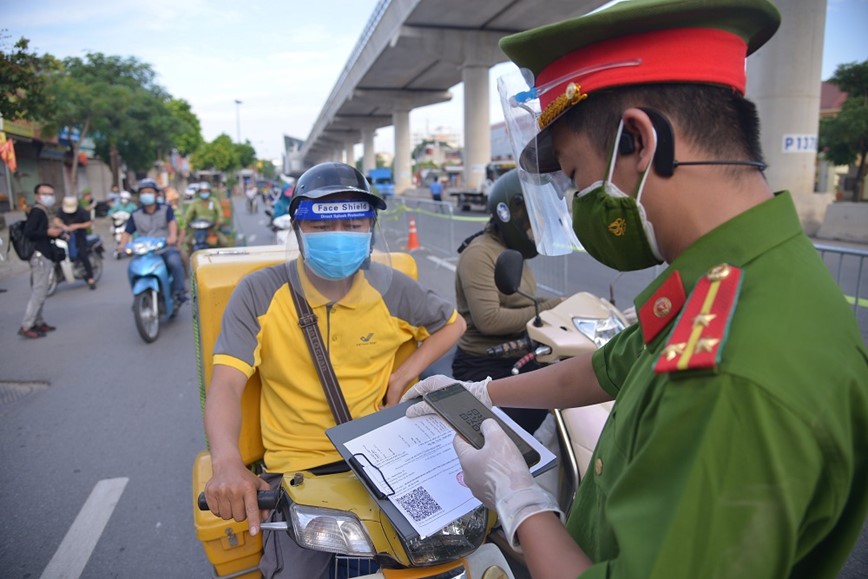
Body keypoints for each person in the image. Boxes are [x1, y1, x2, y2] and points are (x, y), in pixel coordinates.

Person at [402, 1, 868, 577]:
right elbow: (604, 369)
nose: (576, 205)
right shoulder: (732, 277)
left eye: (574, 176)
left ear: (639, 142)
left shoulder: (736, 372)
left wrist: (517, 497)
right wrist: (486, 396)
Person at [202, 162, 466, 578]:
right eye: (323, 226)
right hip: (297, 474)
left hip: (386, 463)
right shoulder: (259, 293)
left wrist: (404, 374)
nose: (338, 235)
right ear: (298, 231)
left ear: (371, 226)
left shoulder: (390, 287)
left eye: (353, 223)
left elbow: (453, 324)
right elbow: (227, 385)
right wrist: (227, 462)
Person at [453, 169, 563, 433]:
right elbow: (489, 320)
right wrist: (549, 306)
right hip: (484, 363)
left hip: (522, 352)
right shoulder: (480, 254)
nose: (540, 222)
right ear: (511, 213)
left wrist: (567, 303)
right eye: (535, 214)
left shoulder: (512, 251)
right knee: (522, 435)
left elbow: (520, 301)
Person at [117, 178, 189, 303]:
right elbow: (127, 232)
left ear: (156, 194)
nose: (146, 195)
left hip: (164, 248)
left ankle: (179, 291)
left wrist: (172, 237)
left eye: (149, 192)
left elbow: (172, 224)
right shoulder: (135, 214)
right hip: (144, 251)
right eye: (143, 193)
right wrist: (122, 245)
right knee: (133, 267)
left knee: (174, 262)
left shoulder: (166, 209)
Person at [19, 183, 64, 339]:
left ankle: (39, 322)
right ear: (37, 196)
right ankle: (26, 325)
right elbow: (29, 232)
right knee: (39, 291)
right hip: (39, 256)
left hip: (44, 254)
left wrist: (56, 233)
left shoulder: (43, 211)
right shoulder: (37, 211)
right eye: (46, 194)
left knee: (42, 290)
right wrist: (48, 232)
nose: (49, 197)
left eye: (51, 194)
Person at [55, 196, 96, 289]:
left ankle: (90, 278)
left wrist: (77, 226)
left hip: (80, 236)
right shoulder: (61, 210)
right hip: (66, 235)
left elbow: (89, 223)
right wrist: (63, 226)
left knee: (83, 254)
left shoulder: (82, 211)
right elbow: (56, 220)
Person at [183, 181, 227, 251]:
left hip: (212, 228)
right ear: (199, 193)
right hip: (197, 228)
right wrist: (184, 226)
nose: (204, 193)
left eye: (206, 191)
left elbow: (220, 212)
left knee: (223, 242)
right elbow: (188, 214)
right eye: (202, 191)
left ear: (209, 192)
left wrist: (220, 221)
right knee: (187, 242)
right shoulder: (195, 202)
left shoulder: (213, 201)